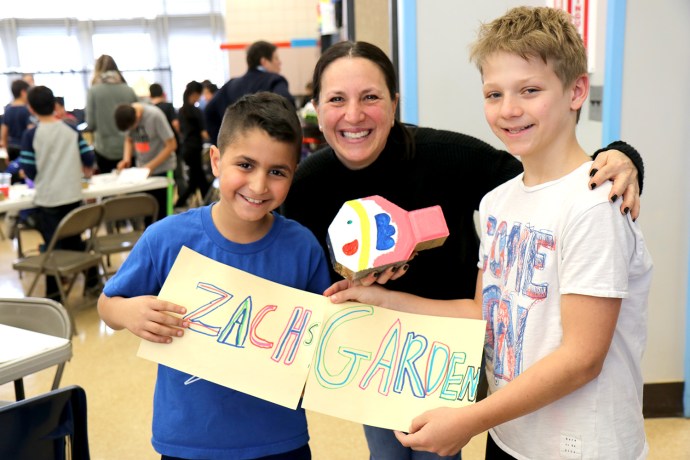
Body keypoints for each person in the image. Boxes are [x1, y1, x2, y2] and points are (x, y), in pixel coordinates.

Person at [281, 40, 645, 460]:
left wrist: (620, 159)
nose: (354, 114)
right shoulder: (307, 182)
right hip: (374, 346)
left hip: (454, 350)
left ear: (394, 102)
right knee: (386, 453)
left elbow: (545, 178)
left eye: (371, 97)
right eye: (336, 100)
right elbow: (281, 255)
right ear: (316, 108)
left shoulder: (447, 156)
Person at [97, 92, 331, 460]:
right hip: (189, 440)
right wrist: (128, 314)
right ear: (216, 160)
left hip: (279, 438)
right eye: (245, 165)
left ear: (293, 173)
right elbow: (108, 304)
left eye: (277, 172)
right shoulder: (167, 238)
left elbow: (328, 331)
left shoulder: (302, 247)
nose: (258, 186)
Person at [18, 85, 101, 299]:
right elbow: (89, 158)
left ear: (31, 109)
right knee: (74, 238)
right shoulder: (71, 129)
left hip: (48, 199)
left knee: (53, 246)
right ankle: (92, 282)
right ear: (55, 105)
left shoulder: (31, 135)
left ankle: (54, 293)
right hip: (73, 195)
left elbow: (28, 168)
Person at [205, 40, 295, 145]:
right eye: (276, 58)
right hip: (265, 147)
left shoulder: (231, 84)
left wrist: (219, 142)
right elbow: (287, 104)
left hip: (236, 147)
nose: (280, 62)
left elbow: (209, 110)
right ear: (264, 61)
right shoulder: (274, 80)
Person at [114, 101, 177, 222]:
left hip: (163, 170)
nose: (132, 130)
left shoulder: (155, 116)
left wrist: (150, 166)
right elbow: (128, 140)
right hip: (143, 173)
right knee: (148, 214)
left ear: (137, 118)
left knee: (163, 216)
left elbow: (171, 145)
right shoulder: (128, 115)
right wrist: (126, 159)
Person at [85, 54, 138, 173]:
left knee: (108, 188)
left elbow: (91, 123)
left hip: (104, 149)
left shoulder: (93, 91)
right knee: (132, 187)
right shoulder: (128, 90)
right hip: (129, 150)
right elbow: (138, 119)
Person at [174, 81, 211, 208]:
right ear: (195, 94)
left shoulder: (181, 111)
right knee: (200, 180)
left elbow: (179, 129)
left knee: (195, 181)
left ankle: (183, 203)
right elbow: (204, 133)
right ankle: (208, 204)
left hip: (186, 148)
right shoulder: (196, 112)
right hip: (195, 148)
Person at [149, 82, 186, 201]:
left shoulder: (150, 109)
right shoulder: (168, 106)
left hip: (156, 150)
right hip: (171, 145)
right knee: (178, 175)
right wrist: (180, 135)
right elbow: (175, 124)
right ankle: (181, 199)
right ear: (163, 93)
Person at [1, 79, 33, 161]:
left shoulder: (8, 109)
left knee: (14, 172)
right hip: (25, 147)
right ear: (23, 92)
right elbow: (30, 130)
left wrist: (6, 151)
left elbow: (4, 132)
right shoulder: (27, 110)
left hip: (11, 147)